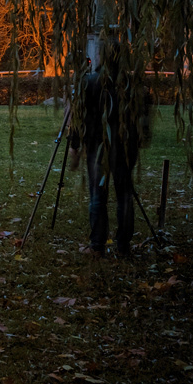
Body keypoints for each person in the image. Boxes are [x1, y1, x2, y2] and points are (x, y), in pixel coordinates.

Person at [70, 43, 148, 258]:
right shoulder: (133, 84)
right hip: (125, 146)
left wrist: (75, 145)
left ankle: (97, 245)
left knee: (97, 194)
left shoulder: (89, 82)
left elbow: (80, 116)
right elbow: (142, 114)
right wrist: (141, 138)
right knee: (124, 195)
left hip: (97, 145)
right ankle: (123, 246)